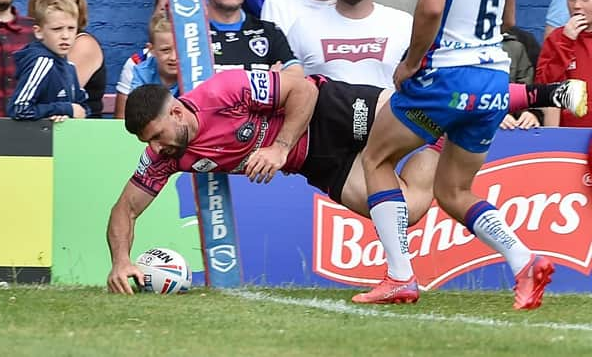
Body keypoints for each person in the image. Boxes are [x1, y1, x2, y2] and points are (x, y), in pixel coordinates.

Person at [104, 63, 586, 294]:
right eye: (152, 142)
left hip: (329, 111)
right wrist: (121, 261)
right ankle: (441, 138)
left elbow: (297, 86)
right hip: (319, 164)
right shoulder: (166, 155)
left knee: (413, 108)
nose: (159, 147)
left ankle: (544, 92)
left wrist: (276, 147)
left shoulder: (221, 91)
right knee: (411, 210)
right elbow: (125, 207)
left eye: (161, 134)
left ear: (177, 109)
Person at [355, 0, 583, 310]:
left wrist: (411, 63)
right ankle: (524, 260)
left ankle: (399, 276)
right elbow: (509, 18)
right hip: (493, 78)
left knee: (376, 159)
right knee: (454, 191)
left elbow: (430, 7)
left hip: (445, 75)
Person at [28, 0, 107, 118]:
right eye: (51, 0)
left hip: (80, 131)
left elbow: (57, 93)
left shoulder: (83, 44)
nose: (60, 6)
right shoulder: (38, 44)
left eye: (67, 0)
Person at [7, 0, 89, 122]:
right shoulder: (42, 62)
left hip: (61, 139)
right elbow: (19, 109)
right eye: (57, 29)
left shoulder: (70, 67)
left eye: (71, 28)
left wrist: (69, 113)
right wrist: (63, 109)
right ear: (38, 32)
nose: (65, 35)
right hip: (34, 140)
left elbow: (81, 108)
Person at [536, 0, 592, 128]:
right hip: (569, 136)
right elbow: (543, 87)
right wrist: (565, 43)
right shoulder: (558, 38)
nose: (576, 5)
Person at [114, 0, 169, 119]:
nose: (170, 16)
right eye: (164, 9)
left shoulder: (198, 61)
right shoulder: (138, 63)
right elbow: (122, 121)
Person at [128, 15, 179, 95]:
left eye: (179, 50)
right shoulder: (142, 73)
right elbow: (136, 104)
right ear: (151, 50)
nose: (173, 57)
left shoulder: (194, 72)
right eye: (165, 50)